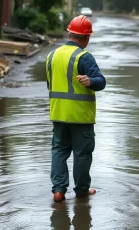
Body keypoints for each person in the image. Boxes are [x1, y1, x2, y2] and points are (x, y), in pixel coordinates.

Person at [46, 15, 106, 202]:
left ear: (69, 33)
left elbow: (51, 85)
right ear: (86, 38)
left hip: (58, 114)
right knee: (82, 154)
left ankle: (58, 190)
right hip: (80, 116)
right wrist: (91, 81)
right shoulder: (84, 57)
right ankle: (81, 190)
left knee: (59, 151)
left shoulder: (51, 55)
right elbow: (101, 82)